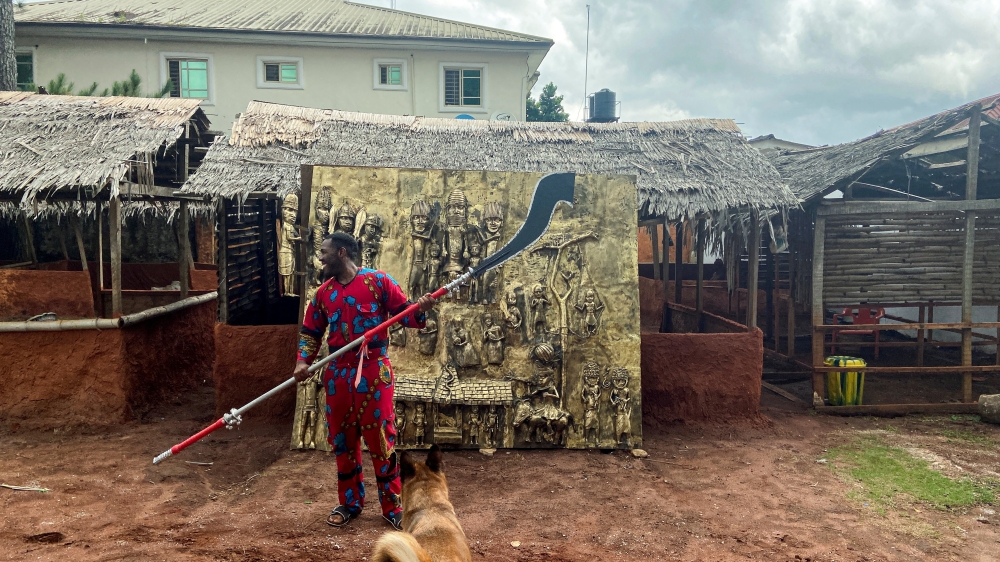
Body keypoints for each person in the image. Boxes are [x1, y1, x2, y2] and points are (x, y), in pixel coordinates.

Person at [294, 232, 436, 531]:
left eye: (324, 252)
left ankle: (393, 507)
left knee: (381, 440)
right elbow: (310, 332)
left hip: (373, 371)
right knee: (343, 441)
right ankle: (350, 503)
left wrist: (421, 310)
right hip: (337, 373)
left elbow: (406, 315)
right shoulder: (324, 294)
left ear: (342, 253)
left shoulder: (378, 282)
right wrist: (303, 361)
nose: (319, 257)